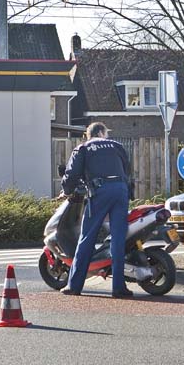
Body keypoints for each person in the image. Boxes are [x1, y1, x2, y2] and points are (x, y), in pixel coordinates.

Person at [59, 122, 133, 298]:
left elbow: (71, 174)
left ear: (89, 134)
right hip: (121, 191)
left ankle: (74, 286)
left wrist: (66, 191)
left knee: (87, 237)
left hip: (100, 192)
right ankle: (119, 288)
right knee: (118, 239)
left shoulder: (83, 148)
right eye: (106, 132)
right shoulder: (117, 146)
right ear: (101, 132)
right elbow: (127, 170)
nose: (107, 135)